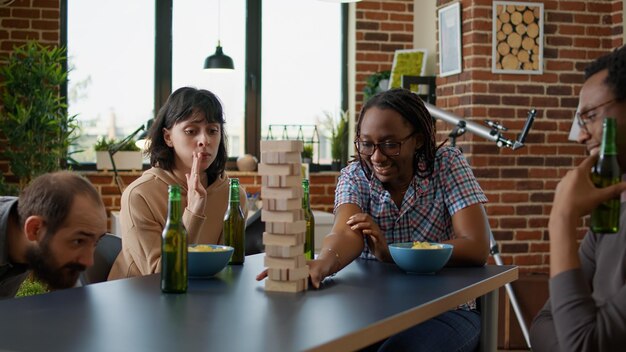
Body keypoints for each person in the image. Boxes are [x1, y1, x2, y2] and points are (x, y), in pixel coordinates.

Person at [259, 88, 490, 351]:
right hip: (372, 309)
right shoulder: (356, 175)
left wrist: (392, 254)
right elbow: (346, 233)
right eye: (367, 144)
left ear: (417, 140)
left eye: (390, 144)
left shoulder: (447, 164)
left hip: (445, 309)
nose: (377, 157)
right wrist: (322, 264)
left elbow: (476, 246)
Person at [529, 46, 626, 351]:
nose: (581, 136)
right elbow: (542, 321)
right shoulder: (613, 210)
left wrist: (561, 219)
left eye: (591, 116)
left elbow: (582, 345)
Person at [108, 87, 245, 280]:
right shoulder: (139, 195)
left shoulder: (233, 194)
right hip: (141, 300)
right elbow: (160, 275)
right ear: (168, 137)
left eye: (213, 130)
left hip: (204, 299)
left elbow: (228, 269)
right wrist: (194, 212)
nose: (204, 140)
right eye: (191, 131)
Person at [0, 171, 108, 299]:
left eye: (96, 242)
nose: (89, 261)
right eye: (78, 241)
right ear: (35, 229)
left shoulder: (28, 237)